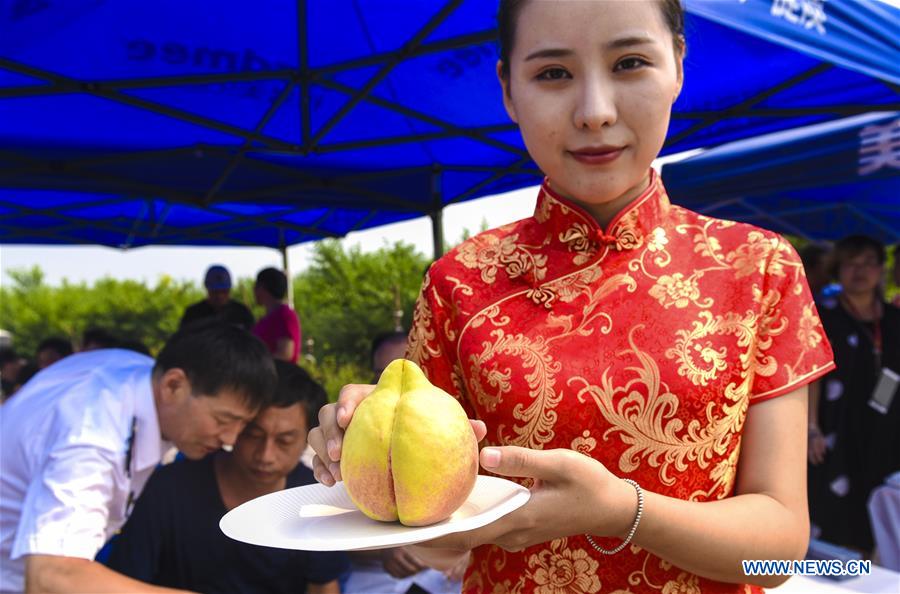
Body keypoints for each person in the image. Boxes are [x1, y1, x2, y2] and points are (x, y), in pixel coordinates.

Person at [308, 1, 836, 592]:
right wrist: (367, 459)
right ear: (508, 89)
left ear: (679, 66)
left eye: (630, 62)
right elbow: (437, 538)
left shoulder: (758, 267)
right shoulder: (459, 283)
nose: (595, 112)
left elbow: (786, 549)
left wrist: (622, 511)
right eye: (553, 73)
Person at [0, 322, 276, 592]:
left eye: (242, 425)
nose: (229, 439)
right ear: (173, 385)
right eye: (223, 420)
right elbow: (50, 579)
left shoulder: (137, 372)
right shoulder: (93, 438)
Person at [105, 360, 347, 593]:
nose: (266, 455)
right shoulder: (168, 489)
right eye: (253, 434)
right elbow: (123, 581)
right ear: (236, 427)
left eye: (284, 441)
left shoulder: (314, 499)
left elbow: (324, 585)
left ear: (308, 437)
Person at [341, 330, 467, 594]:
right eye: (380, 374)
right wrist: (383, 549)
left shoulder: (455, 425)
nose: (399, 373)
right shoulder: (357, 430)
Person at [808, 235, 900, 554]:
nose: (859, 271)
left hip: (886, 432)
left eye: (868, 263)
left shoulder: (893, 318)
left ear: (880, 269)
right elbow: (810, 374)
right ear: (838, 268)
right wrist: (811, 427)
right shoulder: (822, 314)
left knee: (879, 512)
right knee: (833, 512)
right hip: (836, 428)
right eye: (851, 263)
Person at [179, 264, 255, 331]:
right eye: (215, 291)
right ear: (207, 288)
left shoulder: (242, 313)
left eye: (224, 291)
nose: (220, 296)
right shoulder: (193, 314)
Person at [252, 267, 302, 363]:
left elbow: (285, 354)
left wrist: (253, 365)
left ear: (263, 288)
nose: (254, 290)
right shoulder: (268, 318)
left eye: (256, 286)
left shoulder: (284, 315)